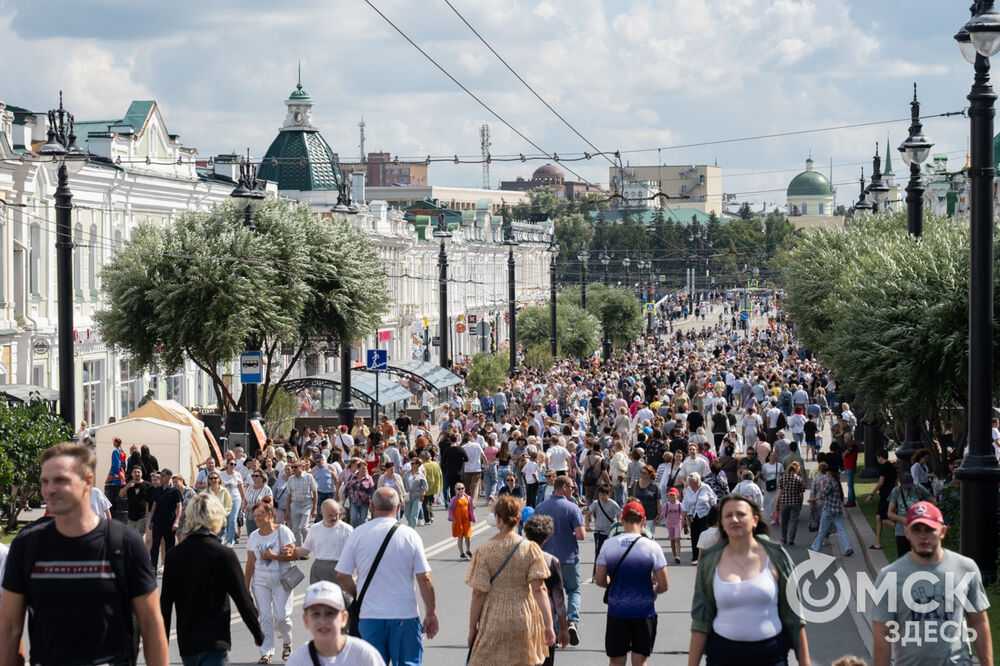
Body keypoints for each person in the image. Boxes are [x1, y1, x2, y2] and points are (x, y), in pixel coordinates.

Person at [0, 443, 169, 666]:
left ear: (88, 482)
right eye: (45, 481)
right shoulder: (27, 545)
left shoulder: (124, 543)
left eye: (61, 480)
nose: (50, 489)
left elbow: (151, 625)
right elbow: (11, 628)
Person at [689, 494, 810, 666]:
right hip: (722, 656)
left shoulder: (776, 556)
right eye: (728, 515)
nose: (734, 519)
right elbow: (701, 620)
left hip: (770, 655)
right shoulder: (710, 560)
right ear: (721, 523)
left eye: (741, 514)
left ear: (754, 520)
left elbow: (795, 617)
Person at [872, 501, 992, 666]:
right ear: (906, 532)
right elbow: (882, 634)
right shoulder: (889, 576)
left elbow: (979, 621)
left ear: (942, 531)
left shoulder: (965, 568)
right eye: (917, 529)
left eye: (929, 529)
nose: (923, 536)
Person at [336, 487, 439, 666]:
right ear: (398, 507)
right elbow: (425, 578)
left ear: (371, 506)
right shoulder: (410, 535)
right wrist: (431, 613)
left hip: (369, 616)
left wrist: (360, 593)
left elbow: (343, 575)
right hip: (404, 615)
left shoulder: (358, 534)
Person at [160, 493, 265, 665]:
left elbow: (165, 604)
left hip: (188, 642)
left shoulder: (174, 556)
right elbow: (242, 598)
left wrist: (161, 643)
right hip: (215, 640)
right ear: (216, 517)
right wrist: (257, 633)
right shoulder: (224, 554)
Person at [466, 495, 556, 666]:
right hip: (524, 617)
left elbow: (478, 593)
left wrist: (472, 628)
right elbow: (540, 589)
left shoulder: (483, 551)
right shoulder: (530, 548)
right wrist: (549, 625)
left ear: (497, 518)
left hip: (493, 618)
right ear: (519, 518)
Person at [595, 501, 669, 666]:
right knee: (640, 660)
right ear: (643, 521)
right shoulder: (652, 547)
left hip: (617, 611)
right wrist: (654, 592)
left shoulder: (608, 545)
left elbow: (600, 580)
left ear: (622, 520)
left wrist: (614, 585)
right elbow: (664, 584)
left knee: (616, 660)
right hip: (644, 611)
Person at [245, 500, 298, 663]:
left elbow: (293, 555)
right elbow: (250, 562)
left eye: (260, 514)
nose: (257, 519)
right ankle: (266, 651)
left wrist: (274, 556)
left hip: (281, 579)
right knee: (265, 617)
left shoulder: (283, 531)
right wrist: (244, 587)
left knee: (281, 616)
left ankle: (287, 642)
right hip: (260, 581)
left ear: (270, 514)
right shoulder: (254, 536)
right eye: (255, 516)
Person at [284, 580, 386, 666]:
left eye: (330, 613)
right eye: (316, 614)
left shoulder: (364, 655)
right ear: (306, 620)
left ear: (344, 618)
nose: (323, 621)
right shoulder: (297, 660)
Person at [535, 475, 586, 645]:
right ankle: (572, 621)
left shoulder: (541, 507)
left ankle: (555, 631)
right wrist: (569, 532)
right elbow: (581, 535)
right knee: (573, 591)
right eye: (572, 487)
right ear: (563, 487)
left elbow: (535, 536)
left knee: (550, 595)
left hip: (547, 560)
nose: (574, 489)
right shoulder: (572, 508)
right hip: (569, 558)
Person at [523, 514, 570, 666]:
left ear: (526, 534)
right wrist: (563, 628)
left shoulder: (515, 558)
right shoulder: (551, 561)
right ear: (547, 538)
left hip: (519, 617)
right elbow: (559, 599)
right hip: (544, 619)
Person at [296, 499, 353, 584]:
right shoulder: (314, 528)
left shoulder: (346, 529)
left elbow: (352, 552)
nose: (334, 518)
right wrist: (289, 551)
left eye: (336, 515)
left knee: (340, 596)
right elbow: (305, 549)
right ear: (322, 513)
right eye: (330, 515)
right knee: (317, 596)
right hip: (318, 568)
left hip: (339, 568)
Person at [808, 467, 853, 556]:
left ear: (830, 473)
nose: (826, 474)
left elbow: (823, 494)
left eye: (827, 472)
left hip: (829, 509)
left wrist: (821, 485)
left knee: (822, 529)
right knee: (841, 529)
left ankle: (815, 547)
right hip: (837, 509)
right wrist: (814, 499)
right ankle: (848, 547)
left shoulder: (829, 481)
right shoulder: (836, 482)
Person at [886, 478, 933, 558]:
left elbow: (933, 502)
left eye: (909, 487)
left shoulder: (919, 488)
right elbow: (890, 514)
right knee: (903, 559)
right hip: (901, 531)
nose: (907, 489)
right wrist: (903, 520)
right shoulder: (896, 491)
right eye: (905, 487)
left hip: (918, 532)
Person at [148, 468, 183, 573]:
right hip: (158, 522)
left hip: (170, 522)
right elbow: (154, 505)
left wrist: (177, 521)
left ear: (168, 477)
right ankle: (153, 566)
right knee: (155, 546)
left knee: (170, 546)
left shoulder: (175, 490)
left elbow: (179, 506)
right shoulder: (157, 489)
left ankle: (169, 567)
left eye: (162, 476)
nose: (160, 478)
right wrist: (150, 521)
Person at [681, 472, 718, 564]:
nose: (691, 484)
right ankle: (695, 557)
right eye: (689, 482)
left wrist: (715, 515)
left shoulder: (705, 487)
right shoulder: (688, 489)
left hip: (705, 515)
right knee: (694, 536)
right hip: (692, 515)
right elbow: (685, 504)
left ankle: (705, 557)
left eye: (693, 482)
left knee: (704, 535)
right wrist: (683, 519)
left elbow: (713, 501)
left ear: (698, 481)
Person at [864, 448, 897, 549]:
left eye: (877, 458)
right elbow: (895, 482)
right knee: (878, 517)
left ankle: (902, 531)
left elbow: (881, 482)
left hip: (885, 496)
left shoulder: (883, 467)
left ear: (880, 457)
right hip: (891, 494)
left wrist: (871, 494)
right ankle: (877, 543)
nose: (877, 460)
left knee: (884, 518)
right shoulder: (892, 466)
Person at [586, 485, 622, 567]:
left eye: (603, 494)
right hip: (599, 532)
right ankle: (596, 572)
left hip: (611, 533)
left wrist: (618, 525)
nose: (601, 497)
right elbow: (588, 514)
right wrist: (587, 526)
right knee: (599, 553)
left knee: (611, 553)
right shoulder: (596, 503)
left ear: (608, 494)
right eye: (600, 494)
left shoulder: (613, 504)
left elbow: (620, 514)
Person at [286, 460, 318, 547]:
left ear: (302, 467)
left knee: (304, 527)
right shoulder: (290, 479)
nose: (293, 469)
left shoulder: (309, 477)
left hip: (306, 504)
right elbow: (289, 495)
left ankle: (307, 546)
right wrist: (287, 510)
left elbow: (315, 492)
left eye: (296, 467)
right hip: (295, 504)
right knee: (296, 528)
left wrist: (315, 508)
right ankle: (299, 548)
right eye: (292, 467)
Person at [775, 461, 805, 546]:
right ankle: (791, 540)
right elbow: (801, 494)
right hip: (795, 502)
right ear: (797, 470)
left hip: (783, 502)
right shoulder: (799, 479)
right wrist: (800, 504)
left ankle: (784, 538)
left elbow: (779, 492)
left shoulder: (783, 478)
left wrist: (776, 503)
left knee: (783, 521)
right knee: (793, 522)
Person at [219, 459, 247, 546]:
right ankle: (223, 536)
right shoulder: (221, 474)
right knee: (224, 519)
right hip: (224, 499)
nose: (233, 466)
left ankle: (230, 540)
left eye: (235, 464)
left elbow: (241, 488)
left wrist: (244, 500)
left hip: (235, 498)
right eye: (231, 464)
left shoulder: (237, 475)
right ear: (227, 464)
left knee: (232, 519)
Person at [631, 465, 662, 536]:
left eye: (645, 473)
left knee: (648, 536)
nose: (642, 474)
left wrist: (659, 514)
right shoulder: (635, 483)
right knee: (637, 536)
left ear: (650, 475)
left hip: (650, 516)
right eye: (641, 472)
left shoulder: (654, 486)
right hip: (637, 515)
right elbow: (631, 498)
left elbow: (658, 501)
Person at [449, 482, 477, 558]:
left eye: (462, 488)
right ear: (456, 490)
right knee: (460, 537)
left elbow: (471, 509)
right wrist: (452, 518)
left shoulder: (468, 498)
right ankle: (461, 553)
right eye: (459, 489)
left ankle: (468, 550)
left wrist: (473, 517)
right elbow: (451, 509)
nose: (461, 490)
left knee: (468, 536)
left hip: (466, 520)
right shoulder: (454, 499)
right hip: (458, 521)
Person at [120, 466, 151, 535]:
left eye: (138, 472)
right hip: (131, 516)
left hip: (142, 516)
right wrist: (128, 486)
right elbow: (121, 495)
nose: (137, 473)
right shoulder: (129, 484)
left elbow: (149, 501)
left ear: (141, 474)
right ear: (132, 474)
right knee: (130, 537)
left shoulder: (147, 485)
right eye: (135, 472)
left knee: (138, 536)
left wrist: (146, 515)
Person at [105, 436, 127, 517]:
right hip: (122, 473)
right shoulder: (122, 451)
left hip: (116, 474)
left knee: (111, 499)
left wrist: (114, 471)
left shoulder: (115, 451)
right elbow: (124, 464)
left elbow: (116, 465)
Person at [660, 487, 684, 564]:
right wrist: (658, 519)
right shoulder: (667, 505)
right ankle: (675, 555)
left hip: (678, 523)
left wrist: (685, 522)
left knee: (677, 538)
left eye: (673, 495)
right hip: (669, 523)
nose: (671, 497)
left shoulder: (680, 505)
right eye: (670, 495)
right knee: (672, 540)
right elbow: (663, 514)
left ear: (677, 495)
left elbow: (683, 514)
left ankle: (678, 556)